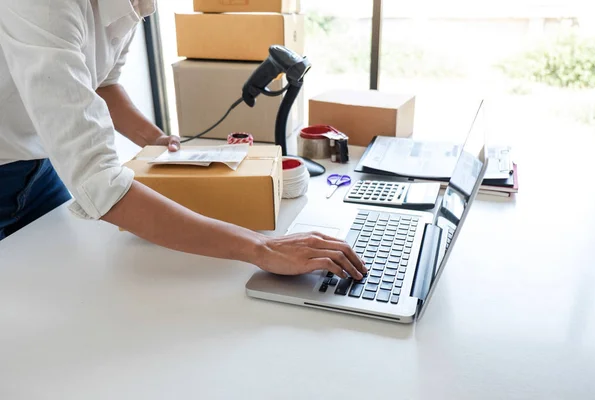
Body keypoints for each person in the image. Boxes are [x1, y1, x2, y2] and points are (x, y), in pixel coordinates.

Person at [0, 0, 366, 280]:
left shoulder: (136, 6)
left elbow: (102, 83)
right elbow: (101, 186)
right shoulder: (43, 7)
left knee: (61, 278)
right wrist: (262, 247)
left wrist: (158, 140)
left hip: (42, 167)